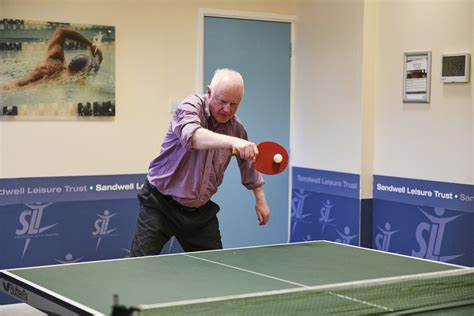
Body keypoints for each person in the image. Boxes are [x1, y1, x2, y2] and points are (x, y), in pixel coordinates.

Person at [130, 68, 270, 256]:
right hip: (160, 204)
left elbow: (248, 162)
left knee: (215, 269)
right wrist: (233, 142)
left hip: (200, 213)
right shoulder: (189, 107)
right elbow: (192, 137)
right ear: (210, 92)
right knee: (139, 265)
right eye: (222, 101)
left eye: (234, 104)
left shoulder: (236, 128)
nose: (227, 109)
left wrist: (260, 198)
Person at [1, 26, 102, 91]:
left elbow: (62, 30)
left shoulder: (55, 56)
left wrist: (91, 44)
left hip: (11, 83)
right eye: (87, 75)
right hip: (8, 89)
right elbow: (27, 89)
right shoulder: (61, 79)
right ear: (80, 73)